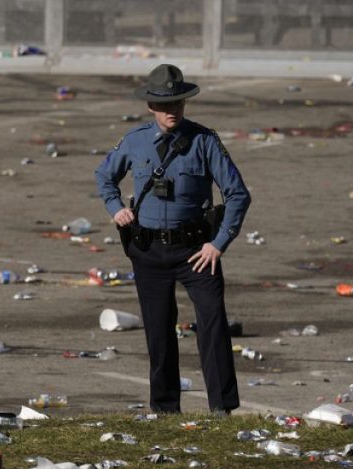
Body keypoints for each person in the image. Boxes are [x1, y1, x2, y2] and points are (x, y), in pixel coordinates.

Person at [95, 64, 251, 415]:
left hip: (197, 251)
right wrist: (115, 208)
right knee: (158, 332)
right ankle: (165, 409)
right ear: (150, 106)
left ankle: (221, 408)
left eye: (178, 103)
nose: (172, 111)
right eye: (165, 105)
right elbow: (105, 176)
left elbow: (238, 194)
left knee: (212, 325)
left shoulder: (204, 141)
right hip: (148, 251)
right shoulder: (135, 141)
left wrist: (219, 243)